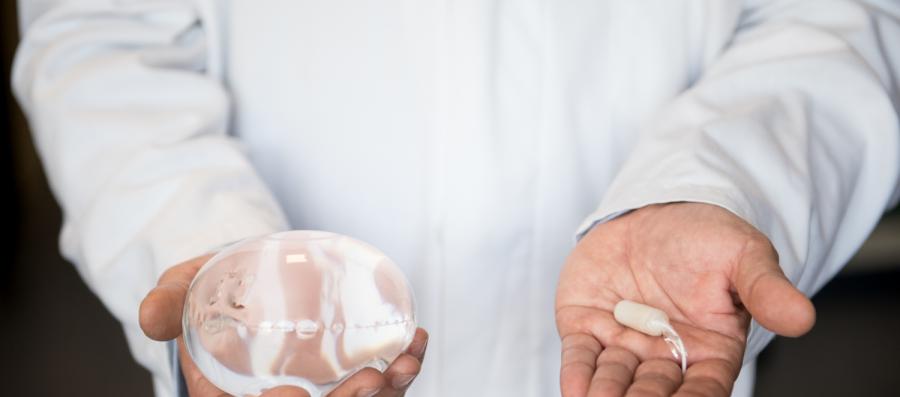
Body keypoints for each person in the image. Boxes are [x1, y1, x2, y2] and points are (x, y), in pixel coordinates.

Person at [11, 1, 900, 396]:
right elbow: (105, 32)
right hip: (283, 372)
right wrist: (216, 265)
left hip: (645, 369)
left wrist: (717, 183)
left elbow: (839, 14)